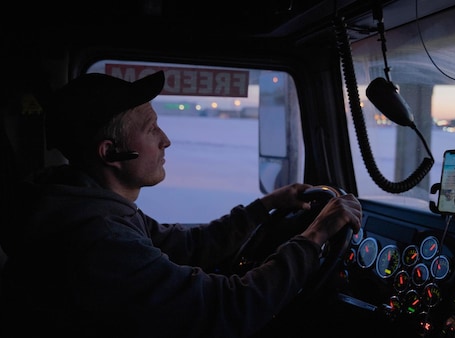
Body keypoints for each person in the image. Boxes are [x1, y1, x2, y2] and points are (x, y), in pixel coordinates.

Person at [0, 71, 362, 338]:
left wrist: (265, 205)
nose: (166, 141)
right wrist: (315, 238)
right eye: (151, 129)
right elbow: (226, 310)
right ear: (111, 153)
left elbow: (187, 246)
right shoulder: (97, 236)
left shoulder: (87, 204)